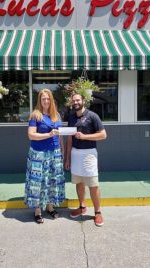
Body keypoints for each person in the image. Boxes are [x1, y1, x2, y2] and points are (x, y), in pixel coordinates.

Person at [65, 93, 107, 227]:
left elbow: (103, 135)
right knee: (79, 183)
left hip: (89, 155)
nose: (76, 102)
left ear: (83, 101)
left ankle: (98, 212)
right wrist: (67, 158)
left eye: (78, 100)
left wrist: (84, 137)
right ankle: (82, 207)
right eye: (74, 100)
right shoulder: (71, 118)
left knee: (93, 185)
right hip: (75, 154)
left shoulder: (93, 116)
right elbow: (70, 138)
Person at [24, 89, 65, 224]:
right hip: (39, 154)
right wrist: (48, 135)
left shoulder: (56, 116)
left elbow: (59, 136)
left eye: (48, 98)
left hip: (55, 153)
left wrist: (62, 151)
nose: (46, 101)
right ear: (40, 101)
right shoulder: (35, 115)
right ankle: (37, 210)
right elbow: (31, 135)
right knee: (39, 181)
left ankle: (50, 206)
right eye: (43, 99)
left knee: (52, 180)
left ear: (51, 100)